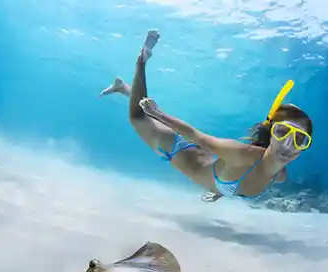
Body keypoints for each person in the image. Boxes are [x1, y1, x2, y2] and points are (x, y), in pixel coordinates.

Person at [99, 30, 313, 203]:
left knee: (145, 112)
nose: (288, 144)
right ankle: (142, 59)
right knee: (138, 116)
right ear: (272, 133)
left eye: (300, 139)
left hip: (205, 157)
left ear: (304, 147)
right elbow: (195, 135)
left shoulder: (280, 175)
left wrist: (220, 191)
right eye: (283, 132)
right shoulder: (241, 153)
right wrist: (157, 113)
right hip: (178, 150)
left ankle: (124, 89)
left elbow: (237, 177)